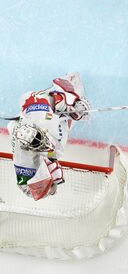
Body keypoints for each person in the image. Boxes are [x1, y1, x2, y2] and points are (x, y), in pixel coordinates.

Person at [8, 72, 90, 200]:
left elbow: (17, 128)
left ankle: (67, 100)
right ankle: (67, 106)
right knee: (55, 150)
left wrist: (71, 103)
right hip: (40, 130)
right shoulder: (53, 153)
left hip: (34, 112)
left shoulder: (26, 170)